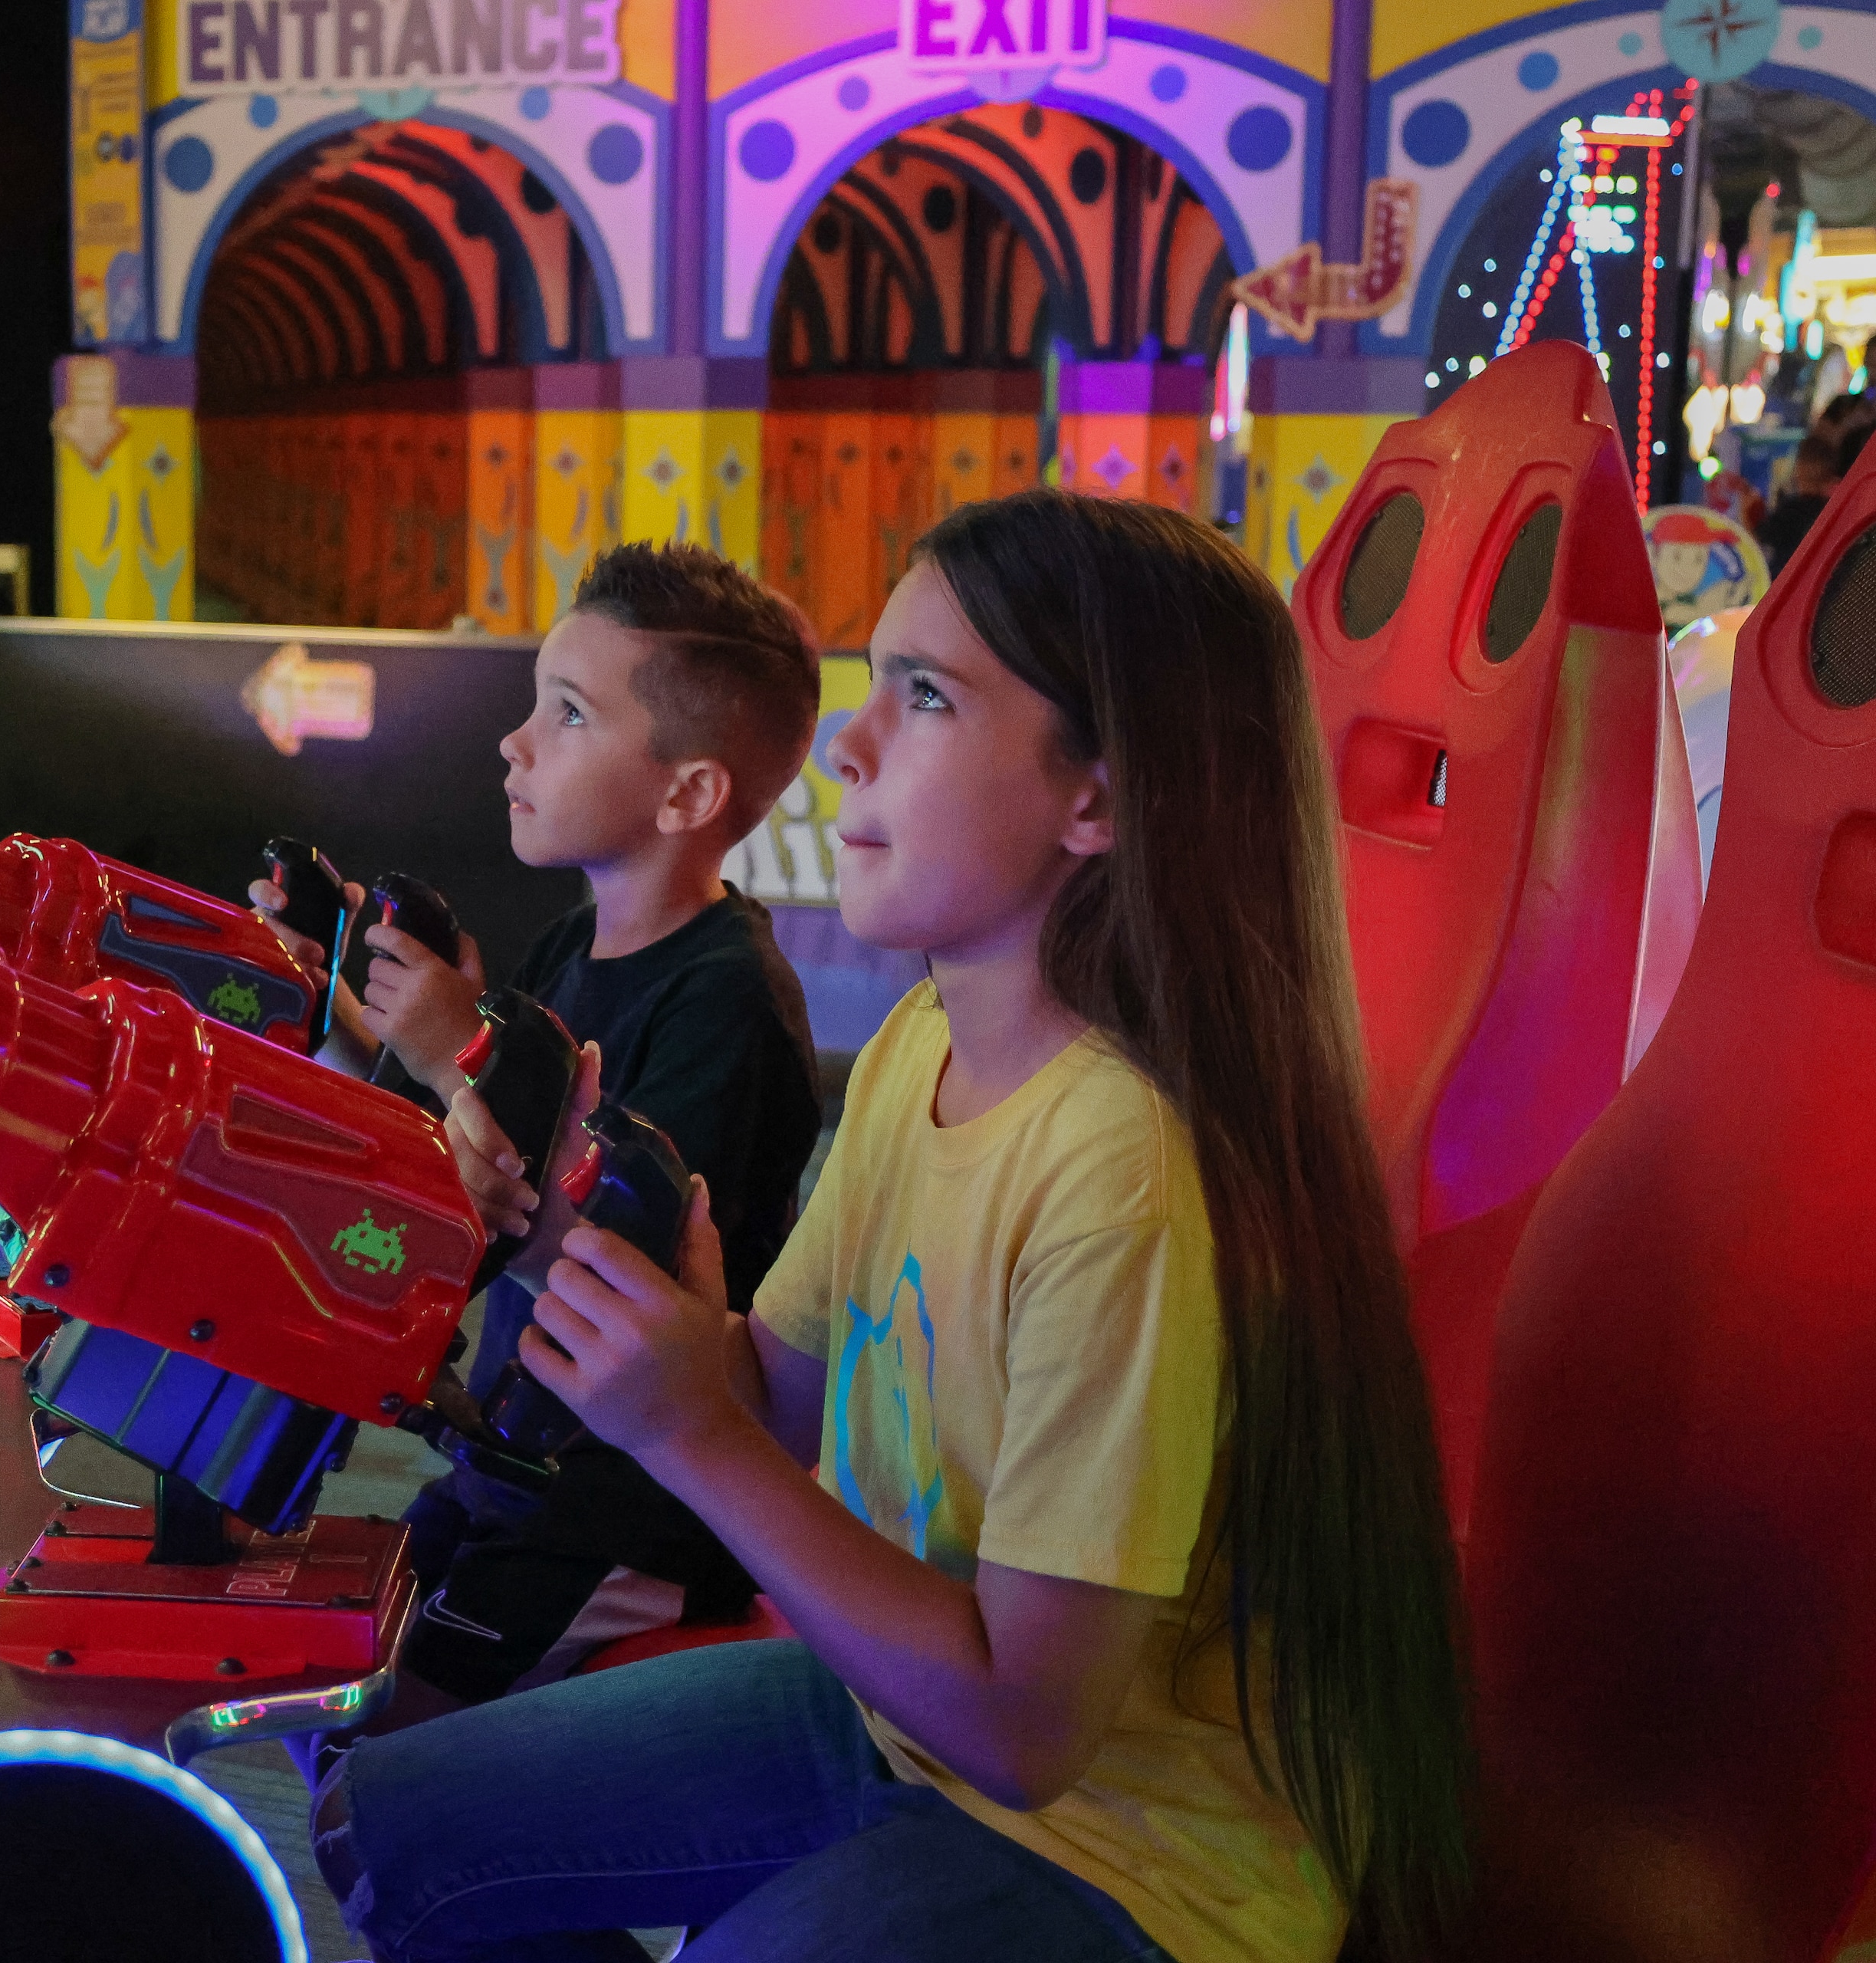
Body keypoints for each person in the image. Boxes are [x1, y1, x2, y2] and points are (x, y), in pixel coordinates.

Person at [314, 492, 1474, 1963]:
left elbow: (1028, 1728)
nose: (848, 751)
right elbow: (779, 1398)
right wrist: (565, 1252)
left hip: (1128, 1864)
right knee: (393, 1818)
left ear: (1100, 800)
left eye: (924, 697)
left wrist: (689, 1436)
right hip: (894, 1722)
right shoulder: (925, 1044)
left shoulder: (1123, 1168)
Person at [251, 541, 825, 1705]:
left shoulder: (727, 999)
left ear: (690, 794)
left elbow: (623, 1273)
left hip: (629, 1511)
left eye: (566, 714)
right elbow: (444, 1170)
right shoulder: (574, 947)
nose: (515, 744)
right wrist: (335, 1014)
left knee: (392, 1728)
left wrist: (453, 1049)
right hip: (512, 1463)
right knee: (322, 1656)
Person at [1759, 434, 1838, 572]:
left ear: (1800, 467)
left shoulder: (1791, 510)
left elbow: (1764, 534)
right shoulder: (1836, 513)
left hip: (1787, 579)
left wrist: (1751, 508)